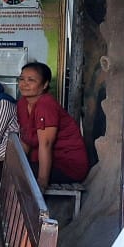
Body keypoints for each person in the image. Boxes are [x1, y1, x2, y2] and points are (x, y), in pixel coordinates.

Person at [15, 61, 89, 189]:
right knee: (0, 169)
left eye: (31, 80)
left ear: (45, 84)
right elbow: (26, 140)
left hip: (67, 166)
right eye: (21, 79)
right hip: (42, 161)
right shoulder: (22, 103)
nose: (24, 84)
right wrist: (15, 162)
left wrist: (42, 182)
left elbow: (46, 144)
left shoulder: (46, 104)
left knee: (10, 173)